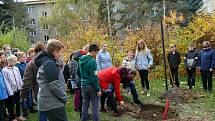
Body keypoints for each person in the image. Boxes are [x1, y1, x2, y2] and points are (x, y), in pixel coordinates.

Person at [35, 39, 68, 121]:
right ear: (55, 52)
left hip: (49, 100)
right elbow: (54, 85)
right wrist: (64, 97)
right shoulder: (50, 64)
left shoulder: (47, 61)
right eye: (60, 52)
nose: (61, 54)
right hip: (52, 102)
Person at [20, 42, 47, 121]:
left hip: (39, 89)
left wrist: (22, 96)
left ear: (35, 51)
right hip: (51, 88)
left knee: (43, 110)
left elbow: (26, 81)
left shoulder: (31, 63)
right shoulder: (51, 59)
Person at [79, 44, 101, 121]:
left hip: (83, 85)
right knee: (95, 104)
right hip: (91, 86)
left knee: (85, 103)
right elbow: (94, 77)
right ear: (93, 51)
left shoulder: (81, 59)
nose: (97, 54)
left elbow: (79, 72)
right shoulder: (92, 61)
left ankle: (84, 118)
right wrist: (98, 89)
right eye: (97, 52)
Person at [2, 55, 26, 121]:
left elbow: (19, 78)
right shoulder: (5, 70)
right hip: (11, 91)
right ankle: (12, 117)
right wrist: (10, 92)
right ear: (10, 61)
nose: (16, 62)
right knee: (11, 104)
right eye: (15, 61)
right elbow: (6, 82)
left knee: (18, 103)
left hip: (18, 89)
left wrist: (21, 87)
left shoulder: (16, 68)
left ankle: (18, 115)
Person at [15, 52, 34, 118]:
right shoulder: (17, 66)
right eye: (23, 57)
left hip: (29, 82)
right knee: (24, 98)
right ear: (19, 58)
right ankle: (25, 112)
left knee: (30, 96)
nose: (25, 58)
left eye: (25, 57)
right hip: (23, 84)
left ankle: (31, 108)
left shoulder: (26, 63)